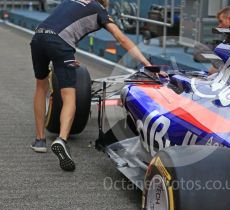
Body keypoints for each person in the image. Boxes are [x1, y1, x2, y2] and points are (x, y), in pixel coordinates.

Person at [30, 0, 151, 171]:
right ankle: (62, 140)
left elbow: (60, 24)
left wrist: (68, 57)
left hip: (39, 36)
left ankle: (40, 140)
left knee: (40, 87)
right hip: (60, 44)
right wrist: (146, 63)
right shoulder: (99, 9)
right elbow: (121, 38)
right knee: (69, 97)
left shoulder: (70, 1)